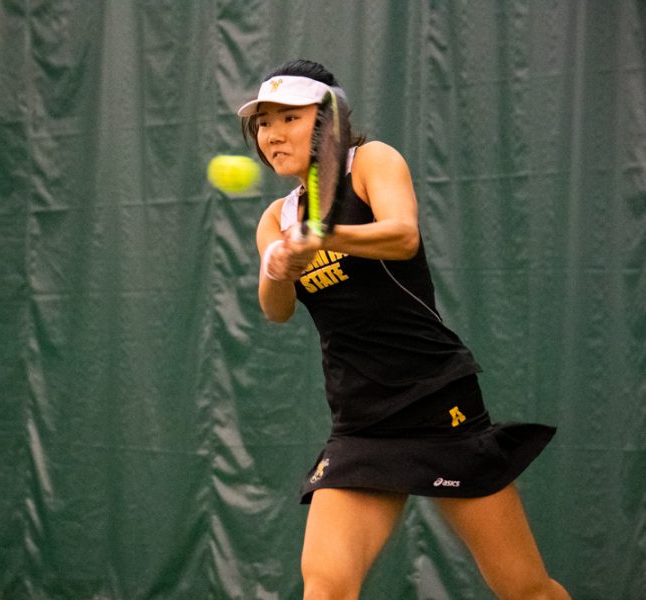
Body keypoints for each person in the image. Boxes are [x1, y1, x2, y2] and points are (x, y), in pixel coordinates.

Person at [238, 59, 571, 600]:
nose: (272, 134)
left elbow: (402, 236)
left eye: (288, 118)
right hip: (360, 419)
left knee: (523, 587)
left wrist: (322, 237)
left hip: (437, 399)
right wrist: (279, 267)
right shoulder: (277, 218)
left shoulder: (371, 161)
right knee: (324, 587)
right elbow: (276, 310)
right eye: (263, 123)